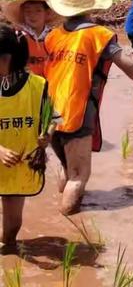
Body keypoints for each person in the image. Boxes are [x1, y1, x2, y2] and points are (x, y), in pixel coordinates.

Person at [45, 0, 133, 215]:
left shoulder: (53, 35)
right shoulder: (98, 35)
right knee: (79, 175)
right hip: (77, 112)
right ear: (90, 8)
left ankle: (55, 213)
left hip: (48, 114)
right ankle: (69, 221)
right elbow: (127, 64)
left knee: (66, 166)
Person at [0, 24, 58, 246]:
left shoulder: (37, 85)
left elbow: (53, 117)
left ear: (11, 58)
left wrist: (47, 135)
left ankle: (8, 248)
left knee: (13, 225)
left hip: (20, 163)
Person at [2, 0, 57, 77]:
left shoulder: (56, 36)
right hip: (27, 84)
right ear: (23, 14)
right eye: (28, 11)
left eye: (38, 11)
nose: (33, 15)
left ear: (47, 13)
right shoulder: (18, 37)